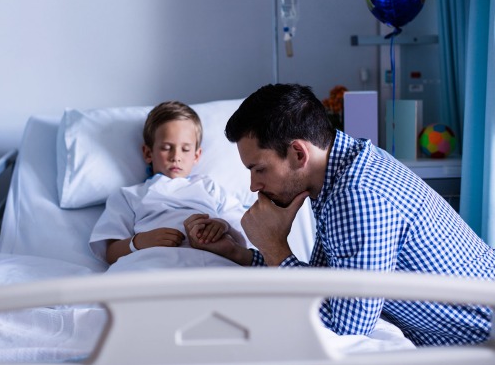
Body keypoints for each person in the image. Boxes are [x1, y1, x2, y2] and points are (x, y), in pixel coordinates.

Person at [187, 83, 494, 347]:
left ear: (298, 153)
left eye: (259, 169)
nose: (254, 185)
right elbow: (326, 284)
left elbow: (345, 327)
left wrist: (274, 247)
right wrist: (240, 254)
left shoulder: (357, 195)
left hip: (481, 340)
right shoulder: (340, 170)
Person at [89, 101, 247, 265]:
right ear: (148, 153)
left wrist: (223, 226)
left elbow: (246, 232)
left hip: (208, 263)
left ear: (196, 156)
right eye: (166, 147)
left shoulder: (210, 188)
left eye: (185, 149)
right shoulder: (129, 196)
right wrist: (141, 241)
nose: (176, 157)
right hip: (152, 264)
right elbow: (111, 253)